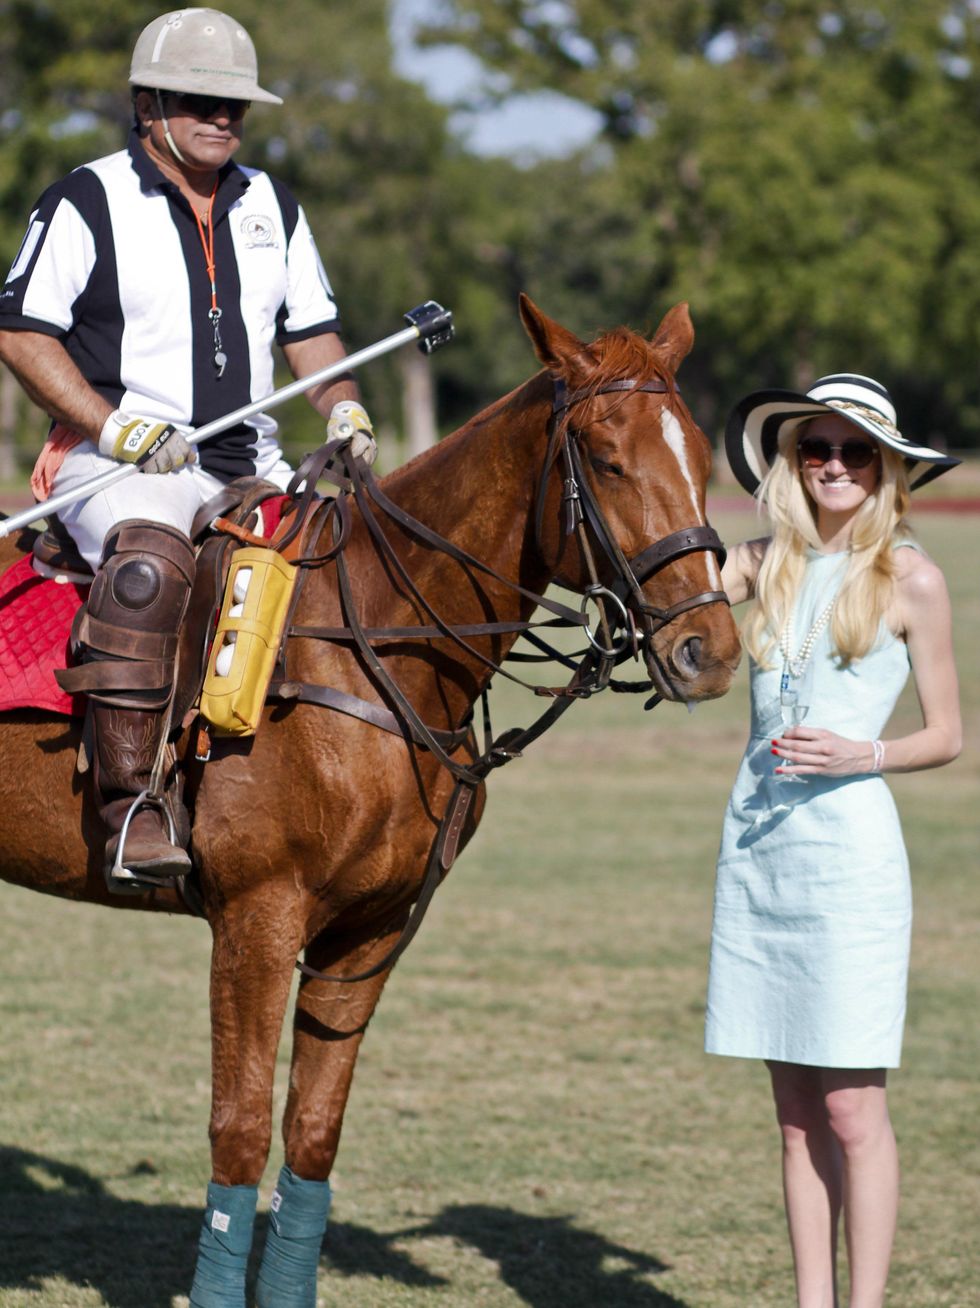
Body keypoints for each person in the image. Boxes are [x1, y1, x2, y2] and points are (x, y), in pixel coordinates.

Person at [0, 8, 377, 884]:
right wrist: (109, 424)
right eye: (201, 100)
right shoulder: (86, 198)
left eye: (235, 106)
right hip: (123, 462)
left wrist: (346, 404)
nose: (222, 119)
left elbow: (314, 333)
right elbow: (20, 332)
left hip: (254, 462)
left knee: (357, 567)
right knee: (148, 567)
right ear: (148, 103)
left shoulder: (273, 206)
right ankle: (132, 806)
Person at [706, 373, 962, 1308]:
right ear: (792, 460)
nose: (835, 465)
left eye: (856, 451)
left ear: (887, 466)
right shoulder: (757, 562)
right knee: (794, 1115)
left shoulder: (912, 577)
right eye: (816, 448)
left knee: (854, 1107)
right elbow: (650, 588)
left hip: (849, 864)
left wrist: (866, 752)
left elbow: (948, 735)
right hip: (760, 855)